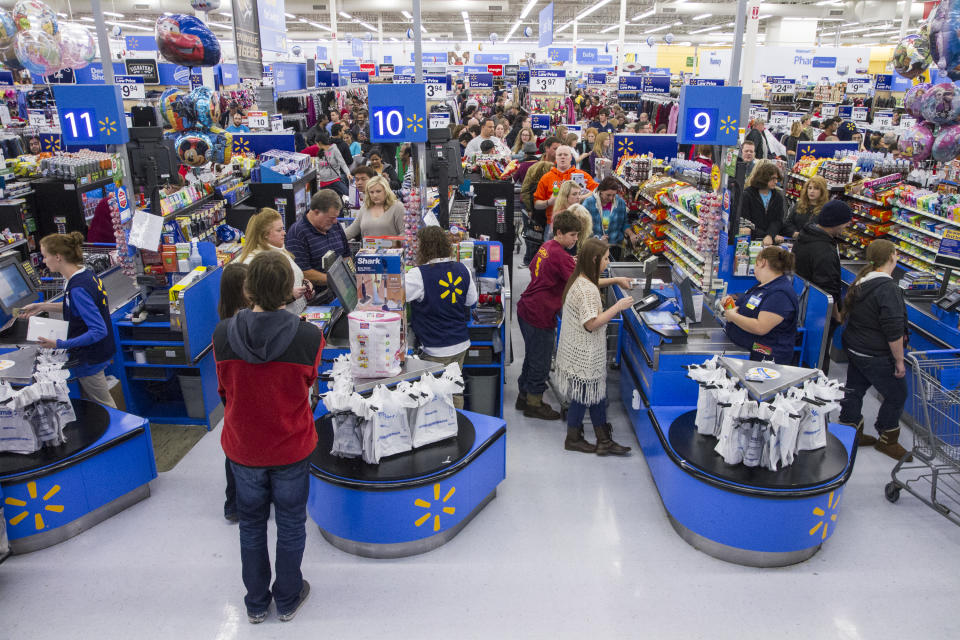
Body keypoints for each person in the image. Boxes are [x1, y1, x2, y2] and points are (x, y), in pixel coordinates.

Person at [213, 252, 322, 624]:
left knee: (251, 524)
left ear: (247, 288)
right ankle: (289, 598)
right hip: (291, 444)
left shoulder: (223, 333)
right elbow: (308, 385)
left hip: (243, 447)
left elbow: (224, 390)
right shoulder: (309, 336)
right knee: (291, 522)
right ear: (287, 292)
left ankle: (256, 603)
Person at [516, 210, 633, 420]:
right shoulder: (561, 256)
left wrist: (569, 262)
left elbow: (536, 269)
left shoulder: (548, 247)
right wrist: (616, 280)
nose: (575, 239)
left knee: (532, 357)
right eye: (572, 235)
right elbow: (585, 283)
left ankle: (523, 396)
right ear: (559, 232)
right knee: (540, 362)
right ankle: (533, 404)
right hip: (539, 316)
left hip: (526, 308)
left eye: (577, 235)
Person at [554, 237, 634, 454]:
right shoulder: (587, 291)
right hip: (585, 354)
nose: (608, 262)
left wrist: (616, 281)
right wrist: (618, 306)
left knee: (597, 395)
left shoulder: (579, 279)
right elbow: (591, 324)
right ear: (595, 259)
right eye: (606, 259)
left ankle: (603, 441)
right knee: (583, 397)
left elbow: (593, 283)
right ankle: (573, 438)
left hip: (574, 350)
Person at [19, 233, 117, 408]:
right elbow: (75, 307)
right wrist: (42, 306)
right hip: (97, 352)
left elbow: (98, 330)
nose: (43, 261)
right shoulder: (83, 275)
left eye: (45, 256)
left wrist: (60, 344)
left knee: (105, 407)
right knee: (96, 404)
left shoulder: (78, 287)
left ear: (58, 257)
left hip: (90, 357)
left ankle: (123, 434)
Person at [837, 239, 911, 460]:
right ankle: (887, 439)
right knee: (898, 394)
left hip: (855, 347)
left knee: (854, 389)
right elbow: (894, 331)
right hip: (875, 353)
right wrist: (899, 361)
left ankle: (850, 431)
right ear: (892, 257)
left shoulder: (862, 282)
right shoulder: (888, 289)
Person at [406, 227, 478, 409]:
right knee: (454, 388)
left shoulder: (418, 275)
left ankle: (438, 431)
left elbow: (395, 296)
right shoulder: (463, 269)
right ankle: (458, 426)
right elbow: (471, 300)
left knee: (433, 396)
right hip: (460, 343)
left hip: (434, 348)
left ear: (424, 248)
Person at [793, 199, 853, 375]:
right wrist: (837, 315)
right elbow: (829, 288)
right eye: (845, 223)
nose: (846, 227)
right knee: (819, 356)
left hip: (803, 303)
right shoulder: (824, 250)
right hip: (818, 313)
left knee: (804, 351)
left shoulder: (806, 235)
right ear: (835, 222)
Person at [722, 246, 800, 364]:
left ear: (762, 262)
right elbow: (746, 309)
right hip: (747, 350)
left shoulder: (780, 294)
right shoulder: (763, 286)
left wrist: (733, 316)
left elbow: (760, 327)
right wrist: (730, 306)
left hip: (765, 357)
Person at [217, 262, 250, 523]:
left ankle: (235, 504)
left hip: (233, 401)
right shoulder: (237, 327)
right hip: (241, 400)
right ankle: (235, 504)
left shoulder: (223, 326)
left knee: (236, 452)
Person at [239, 208, 312, 315]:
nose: (284, 233)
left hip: (297, 315)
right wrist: (288, 297)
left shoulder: (280, 250)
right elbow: (256, 301)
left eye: (283, 228)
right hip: (277, 324)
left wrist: (305, 284)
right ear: (265, 234)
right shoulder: (254, 262)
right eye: (279, 230)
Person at [285, 190, 350, 304]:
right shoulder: (297, 233)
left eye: (336, 217)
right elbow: (303, 272)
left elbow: (346, 255)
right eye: (331, 218)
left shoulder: (334, 226)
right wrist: (335, 280)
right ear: (316, 212)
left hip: (342, 294)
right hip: (317, 302)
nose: (335, 221)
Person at [533, 145, 598, 230]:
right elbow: (537, 205)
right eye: (559, 155)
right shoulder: (546, 177)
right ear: (556, 158)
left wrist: (581, 197)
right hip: (554, 224)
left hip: (577, 222)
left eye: (565, 155)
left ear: (571, 158)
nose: (562, 157)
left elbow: (597, 190)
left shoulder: (582, 175)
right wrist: (549, 202)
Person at [519, 138, 561, 267]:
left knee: (549, 243)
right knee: (533, 238)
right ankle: (531, 263)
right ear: (546, 148)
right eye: (555, 148)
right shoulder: (535, 167)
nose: (558, 152)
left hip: (553, 213)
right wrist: (530, 210)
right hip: (535, 211)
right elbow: (525, 190)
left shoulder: (563, 168)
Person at [739, 161, 786, 246]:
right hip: (750, 241)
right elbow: (745, 221)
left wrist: (770, 235)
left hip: (771, 241)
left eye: (776, 179)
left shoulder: (778, 197)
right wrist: (765, 235)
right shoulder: (747, 195)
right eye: (773, 178)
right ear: (763, 178)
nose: (776, 182)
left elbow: (778, 221)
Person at [344, 175, 404, 240]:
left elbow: (404, 234)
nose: (375, 195)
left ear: (386, 191)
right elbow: (352, 230)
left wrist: (388, 244)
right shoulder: (365, 207)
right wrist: (335, 238)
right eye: (371, 192)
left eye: (378, 191)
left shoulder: (397, 206)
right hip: (367, 249)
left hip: (391, 249)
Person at [584, 177, 629, 259]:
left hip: (615, 247)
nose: (611, 198)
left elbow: (624, 223)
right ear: (600, 191)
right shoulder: (589, 203)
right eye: (608, 195)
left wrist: (631, 234)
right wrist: (599, 240)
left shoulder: (620, 202)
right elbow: (584, 228)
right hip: (595, 247)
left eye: (614, 195)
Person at [779, 176, 828, 240]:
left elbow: (824, 232)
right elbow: (787, 223)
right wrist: (794, 233)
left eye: (816, 188)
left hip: (814, 244)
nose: (812, 191)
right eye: (810, 188)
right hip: (795, 241)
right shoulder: (800, 204)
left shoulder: (826, 209)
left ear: (822, 191)